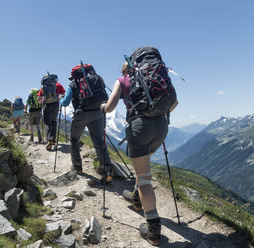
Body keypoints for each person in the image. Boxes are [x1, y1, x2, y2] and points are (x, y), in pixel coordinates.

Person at [100, 61, 178, 245]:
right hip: (161, 127)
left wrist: (103, 107)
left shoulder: (122, 80)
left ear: (125, 70)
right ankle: (137, 199)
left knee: (144, 178)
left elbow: (110, 108)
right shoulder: (158, 77)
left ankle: (153, 229)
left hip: (139, 129)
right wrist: (158, 114)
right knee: (142, 168)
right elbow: (174, 102)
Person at [60, 63, 113, 183]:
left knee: (74, 139)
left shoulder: (73, 84)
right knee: (99, 142)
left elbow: (65, 103)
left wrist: (61, 99)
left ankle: (78, 167)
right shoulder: (97, 80)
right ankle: (108, 172)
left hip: (82, 114)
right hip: (98, 113)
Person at [37, 74, 65, 150]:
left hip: (46, 105)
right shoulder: (58, 85)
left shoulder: (44, 87)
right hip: (56, 105)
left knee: (47, 122)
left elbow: (39, 99)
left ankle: (49, 140)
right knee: (54, 121)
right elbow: (63, 94)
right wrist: (59, 97)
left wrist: (41, 102)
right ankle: (53, 140)